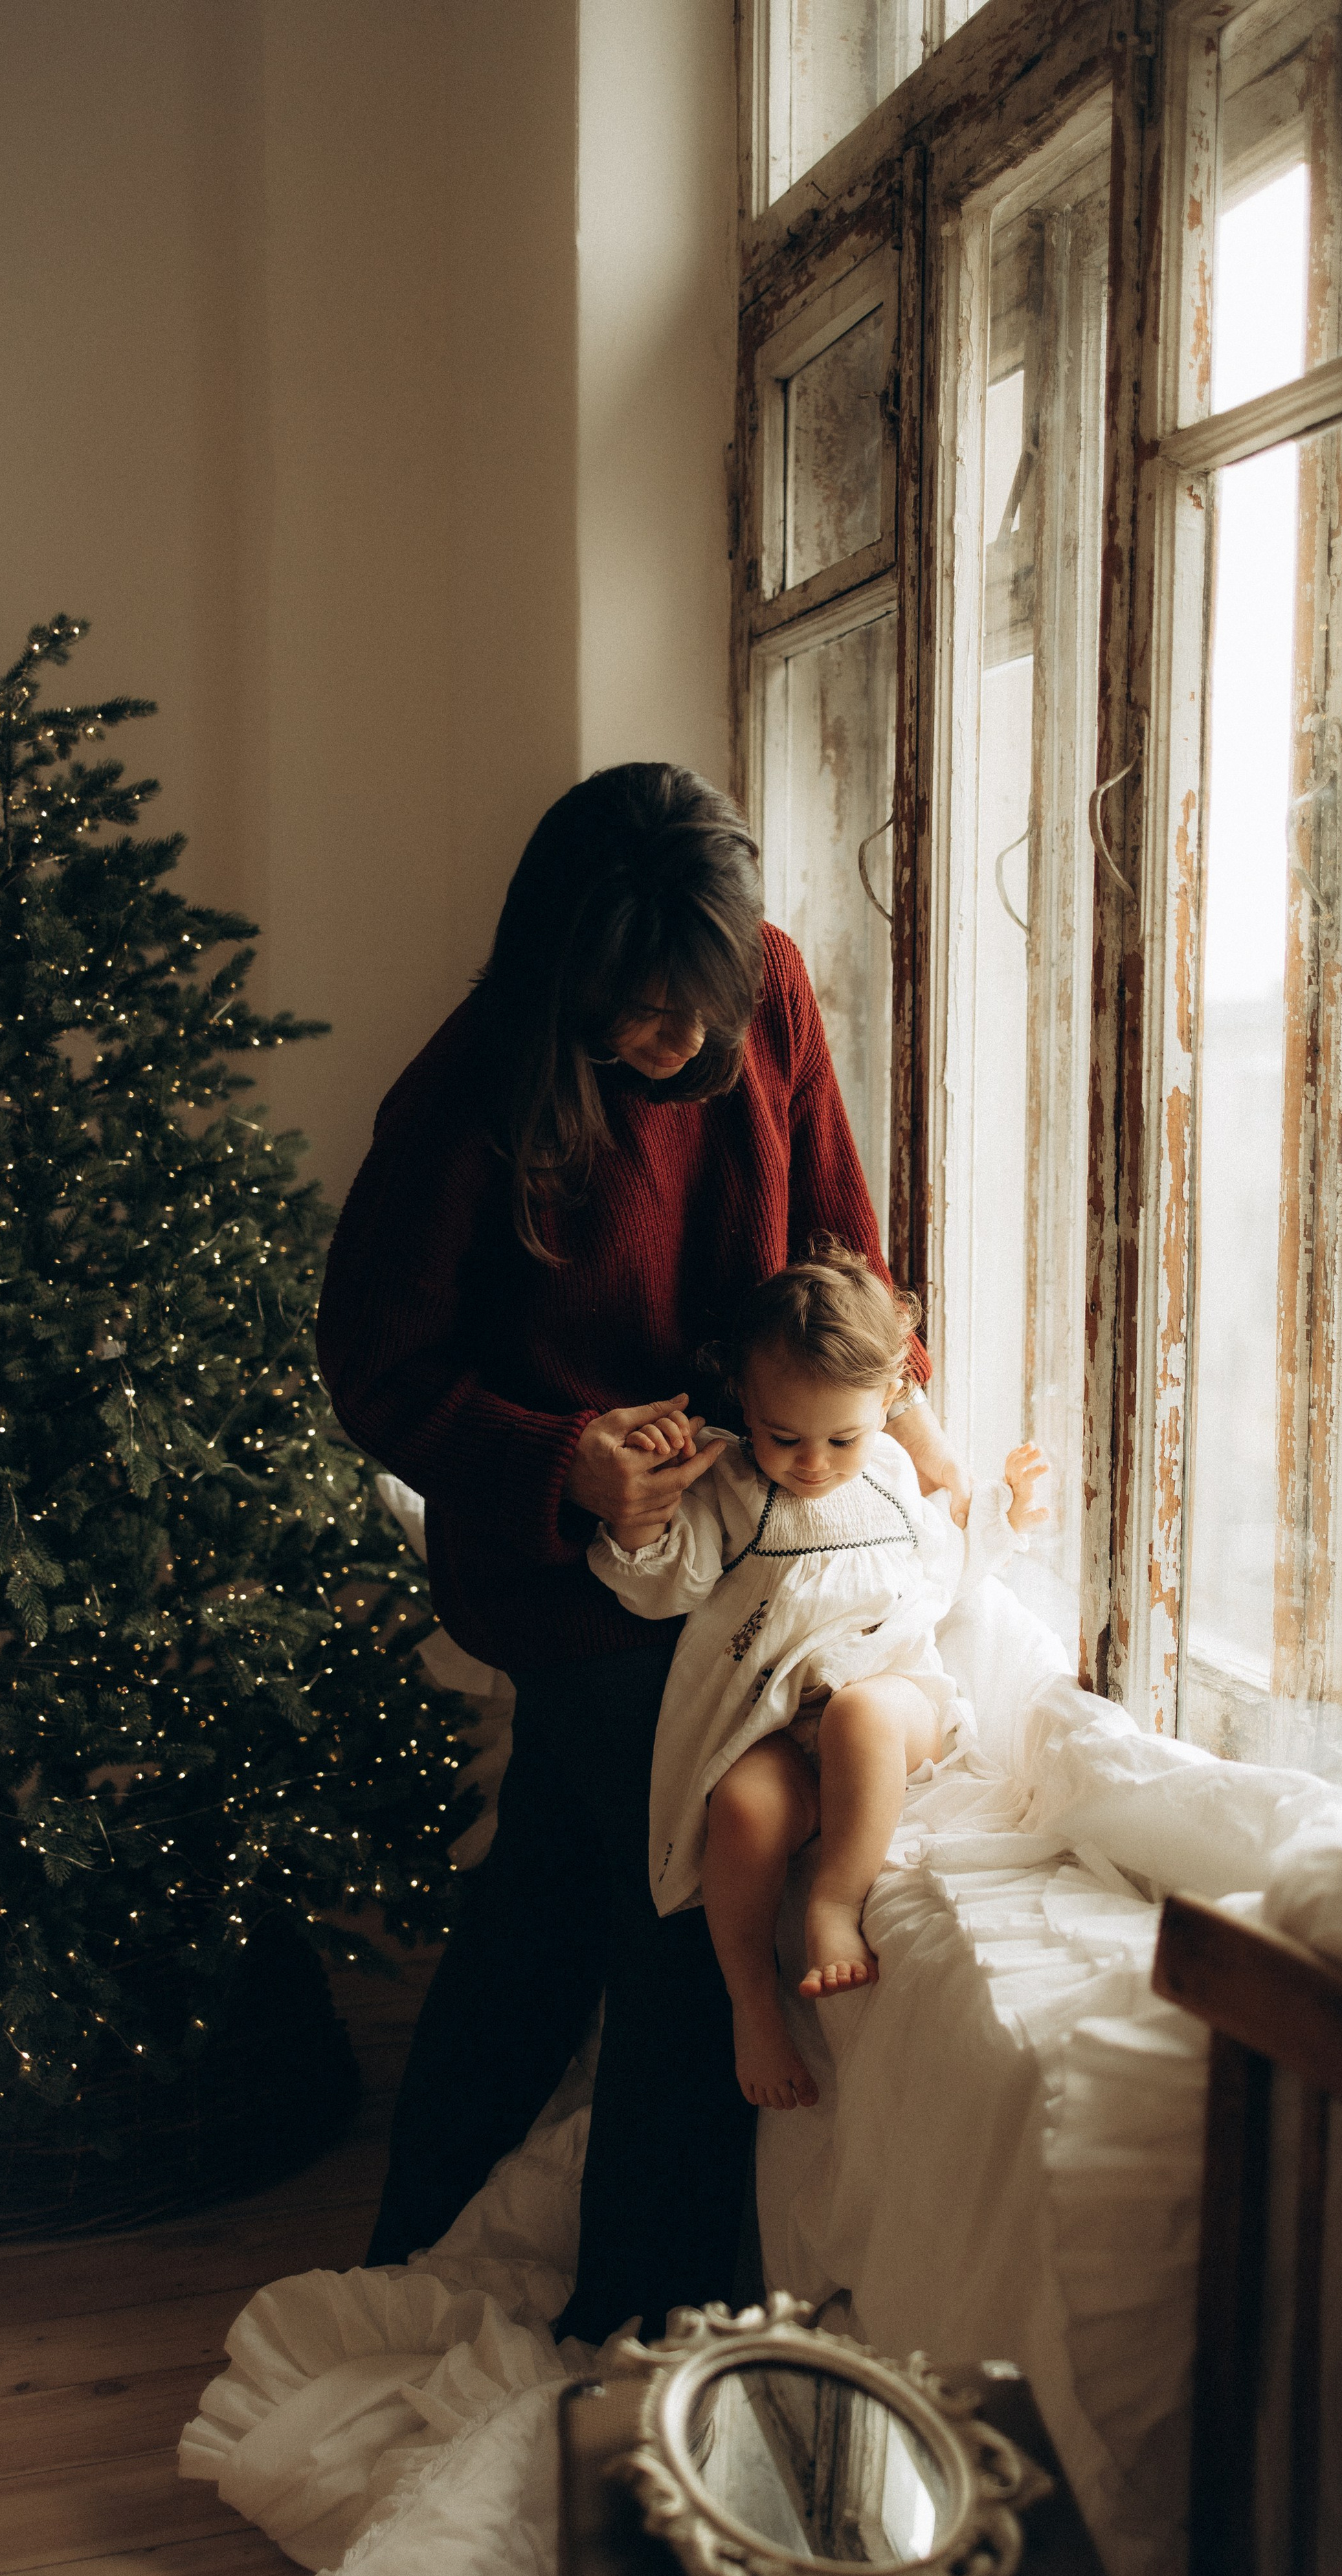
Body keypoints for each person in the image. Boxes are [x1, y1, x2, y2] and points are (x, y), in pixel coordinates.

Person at [314, 762, 970, 2341]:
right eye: (629, 1013)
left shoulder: (771, 991)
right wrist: (562, 1458)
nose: (670, 1043)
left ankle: (416, 2234)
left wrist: (890, 1411)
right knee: (687, 1917)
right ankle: (638, 2330)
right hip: (568, 1568)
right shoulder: (467, 1091)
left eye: (693, 1005)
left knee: (548, 1886)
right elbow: (373, 1365)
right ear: (558, 975)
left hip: (752, 1542)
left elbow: (835, 1241)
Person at [588, 1243, 1047, 2112]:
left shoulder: (887, 1476)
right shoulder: (727, 1483)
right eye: (783, 1436)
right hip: (770, 1719)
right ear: (746, 1407)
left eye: (842, 1436)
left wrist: (1004, 1518)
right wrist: (644, 1523)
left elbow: (939, 1568)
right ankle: (751, 2005)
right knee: (742, 1806)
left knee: (863, 1716)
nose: (812, 1462)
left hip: (892, 1695)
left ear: (887, 1407)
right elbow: (661, 1588)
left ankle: (834, 1902)